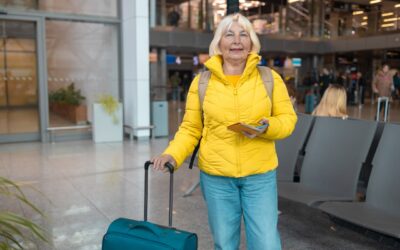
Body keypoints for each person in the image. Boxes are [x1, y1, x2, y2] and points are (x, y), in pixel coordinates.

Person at [151, 13, 297, 250]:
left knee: (267, 244)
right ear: (219, 43)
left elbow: (288, 120)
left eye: (243, 34)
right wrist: (172, 155)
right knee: (225, 244)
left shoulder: (270, 78)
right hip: (217, 177)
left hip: (259, 175)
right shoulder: (202, 83)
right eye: (229, 34)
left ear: (252, 42)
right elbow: (190, 128)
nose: (237, 40)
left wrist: (266, 127)